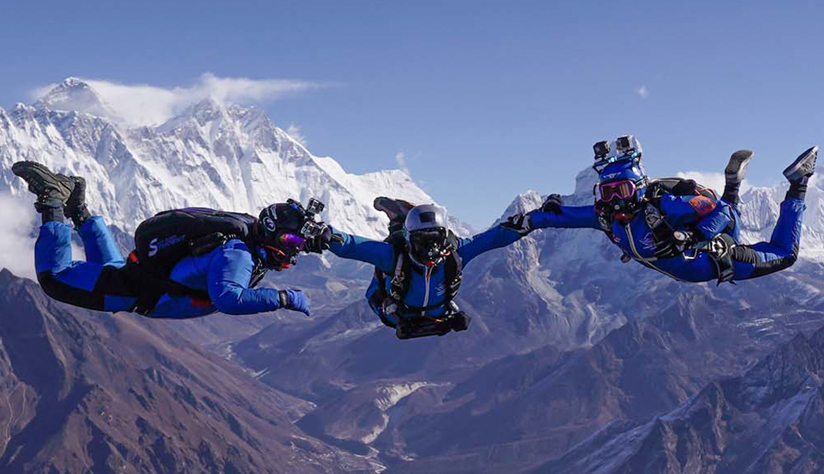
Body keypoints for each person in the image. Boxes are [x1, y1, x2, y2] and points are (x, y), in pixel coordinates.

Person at [12, 160, 315, 318]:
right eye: (290, 242)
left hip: (141, 278)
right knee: (55, 278)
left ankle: (77, 206)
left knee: (113, 268)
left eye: (298, 244)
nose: (294, 251)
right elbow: (229, 300)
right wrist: (283, 299)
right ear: (272, 233)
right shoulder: (238, 254)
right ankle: (52, 199)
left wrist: (318, 238)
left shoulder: (249, 234)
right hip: (137, 292)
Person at [524, 136, 817, 284]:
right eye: (607, 192)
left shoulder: (666, 206)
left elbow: (719, 212)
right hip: (704, 261)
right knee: (733, 218)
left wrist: (696, 236)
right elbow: (567, 219)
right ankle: (734, 185)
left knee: (784, 254)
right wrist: (538, 215)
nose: (615, 200)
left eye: (622, 191)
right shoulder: (606, 218)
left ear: (638, 188)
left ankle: (799, 183)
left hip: (718, 258)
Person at [305, 198, 529, 339]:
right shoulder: (394, 257)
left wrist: (528, 222)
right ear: (411, 240)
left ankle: (401, 221)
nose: (430, 249)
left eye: (435, 240)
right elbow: (351, 245)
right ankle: (398, 223)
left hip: (432, 315)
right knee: (391, 249)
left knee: (400, 318)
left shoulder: (454, 253)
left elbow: (496, 237)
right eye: (423, 241)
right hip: (397, 310)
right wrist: (326, 234)